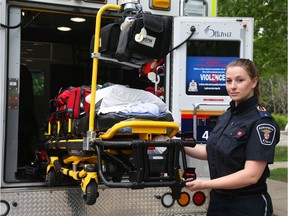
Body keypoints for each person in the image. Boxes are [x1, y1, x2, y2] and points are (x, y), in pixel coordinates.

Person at [185, 58, 280, 216]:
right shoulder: (227, 116)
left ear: (254, 82)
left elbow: (251, 175)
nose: (233, 86)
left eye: (240, 80)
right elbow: (212, 152)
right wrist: (175, 144)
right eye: (228, 81)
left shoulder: (262, 122)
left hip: (247, 205)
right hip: (219, 202)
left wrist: (205, 183)